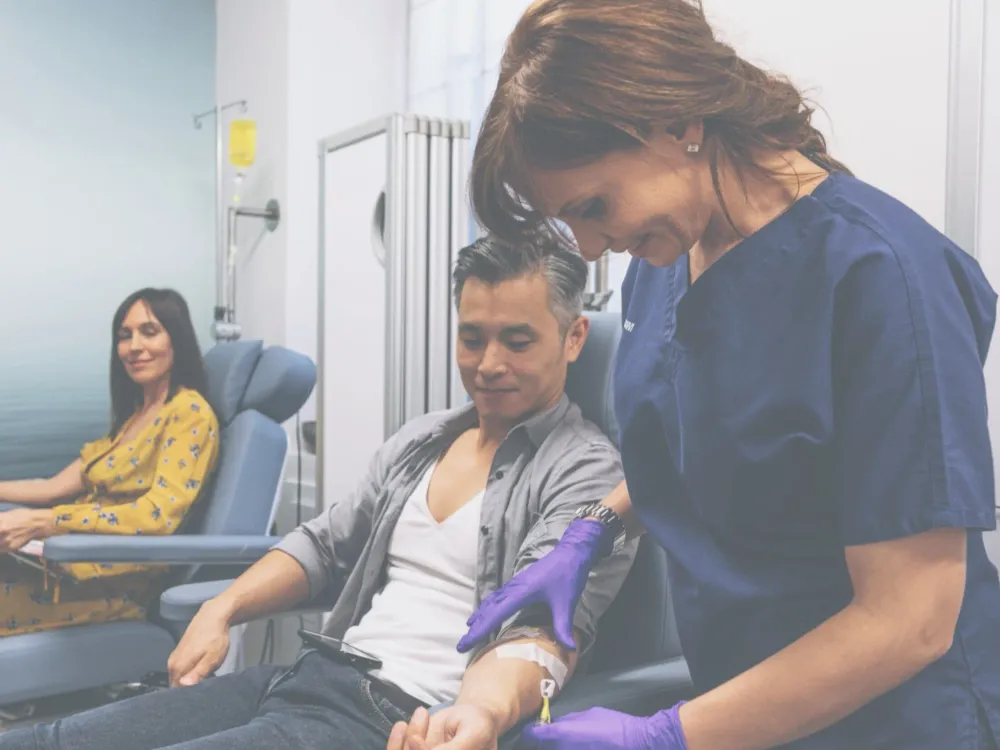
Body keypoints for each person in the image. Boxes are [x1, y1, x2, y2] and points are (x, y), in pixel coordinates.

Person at [454, 1, 1000, 749]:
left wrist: (667, 735)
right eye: (566, 221)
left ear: (676, 121)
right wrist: (591, 532)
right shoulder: (665, 260)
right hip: (743, 706)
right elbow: (702, 442)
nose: (587, 246)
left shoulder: (884, 276)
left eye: (592, 206)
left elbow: (912, 621)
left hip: (897, 721)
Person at [0, 234, 636, 750]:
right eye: (472, 337)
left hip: (396, 717)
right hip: (305, 677)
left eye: (517, 341)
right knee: (49, 739)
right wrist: (221, 610)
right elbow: (324, 545)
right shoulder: (422, 441)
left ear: (573, 337)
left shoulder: (586, 473)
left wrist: (483, 714)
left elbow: (542, 630)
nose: (488, 362)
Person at [0, 288, 220, 636]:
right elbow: (52, 487)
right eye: (124, 335)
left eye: (149, 331)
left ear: (176, 339)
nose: (134, 346)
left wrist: (46, 522)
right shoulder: (134, 419)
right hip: (67, 564)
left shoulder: (189, 414)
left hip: (114, 584)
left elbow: (156, 516)